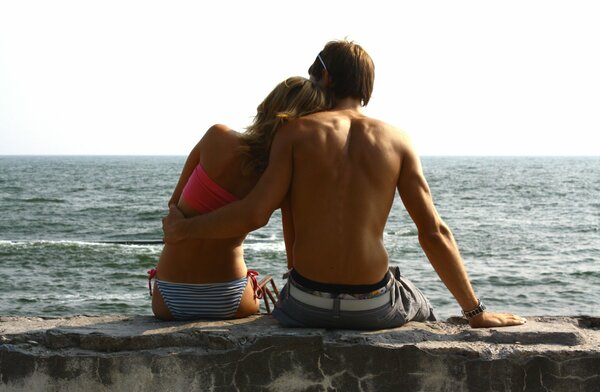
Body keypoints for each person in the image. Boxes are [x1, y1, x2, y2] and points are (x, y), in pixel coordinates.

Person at [162, 40, 526, 329]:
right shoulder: (398, 140)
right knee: (419, 301)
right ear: (367, 88)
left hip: (306, 305)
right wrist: (475, 312)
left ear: (327, 78)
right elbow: (433, 232)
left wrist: (185, 227)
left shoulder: (294, 134)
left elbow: (257, 212)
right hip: (372, 304)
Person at [149, 76, 329, 321]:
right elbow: (293, 257)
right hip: (229, 297)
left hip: (168, 296)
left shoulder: (216, 137)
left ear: (269, 105)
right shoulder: (281, 180)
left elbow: (174, 204)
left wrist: (181, 227)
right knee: (266, 285)